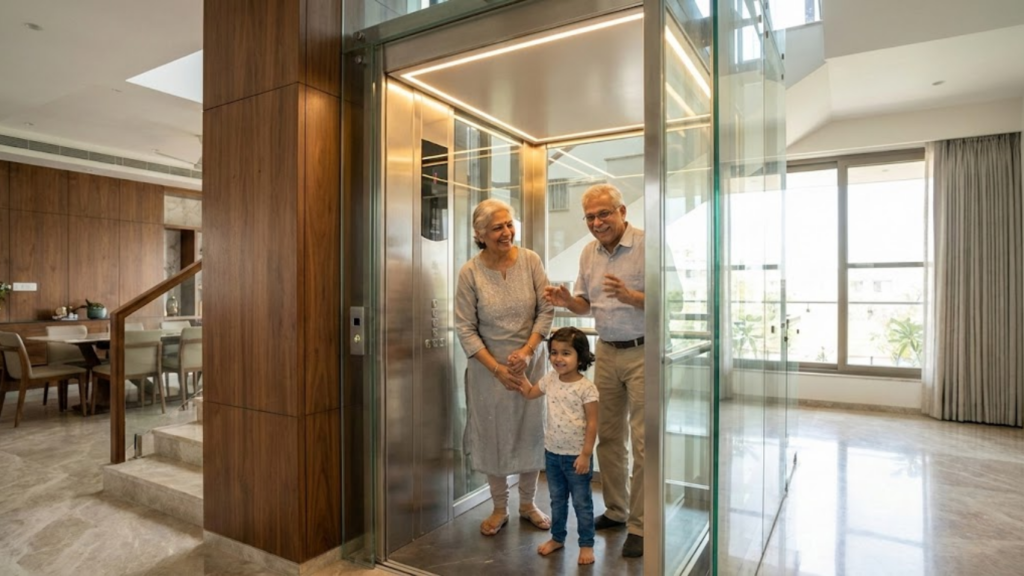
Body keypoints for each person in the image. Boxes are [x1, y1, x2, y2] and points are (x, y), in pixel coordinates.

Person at [543, 183, 646, 558]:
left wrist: (634, 297)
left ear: (622, 211)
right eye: (590, 216)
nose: (597, 222)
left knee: (644, 443)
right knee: (609, 438)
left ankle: (641, 525)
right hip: (606, 351)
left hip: (642, 352)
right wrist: (568, 301)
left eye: (604, 213)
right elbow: (585, 304)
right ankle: (617, 511)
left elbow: (674, 299)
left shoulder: (647, 245)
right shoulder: (589, 252)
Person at [455, 198, 554, 536]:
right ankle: (499, 508)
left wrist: (527, 351)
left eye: (509, 224)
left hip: (530, 364)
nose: (507, 232)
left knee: (531, 431)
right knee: (493, 436)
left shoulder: (531, 261)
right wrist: (496, 368)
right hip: (488, 371)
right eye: (498, 227)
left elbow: (546, 311)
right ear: (480, 234)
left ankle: (527, 504)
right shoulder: (470, 272)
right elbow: (465, 327)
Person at [516, 327, 599, 566]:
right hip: (552, 454)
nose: (558, 358)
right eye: (554, 352)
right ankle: (557, 538)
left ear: (580, 357)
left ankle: (586, 544)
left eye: (566, 353)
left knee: (582, 503)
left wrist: (585, 454)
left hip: (577, 458)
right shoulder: (551, 379)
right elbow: (530, 393)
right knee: (557, 499)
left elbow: (592, 424)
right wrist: (520, 373)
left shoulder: (586, 388)